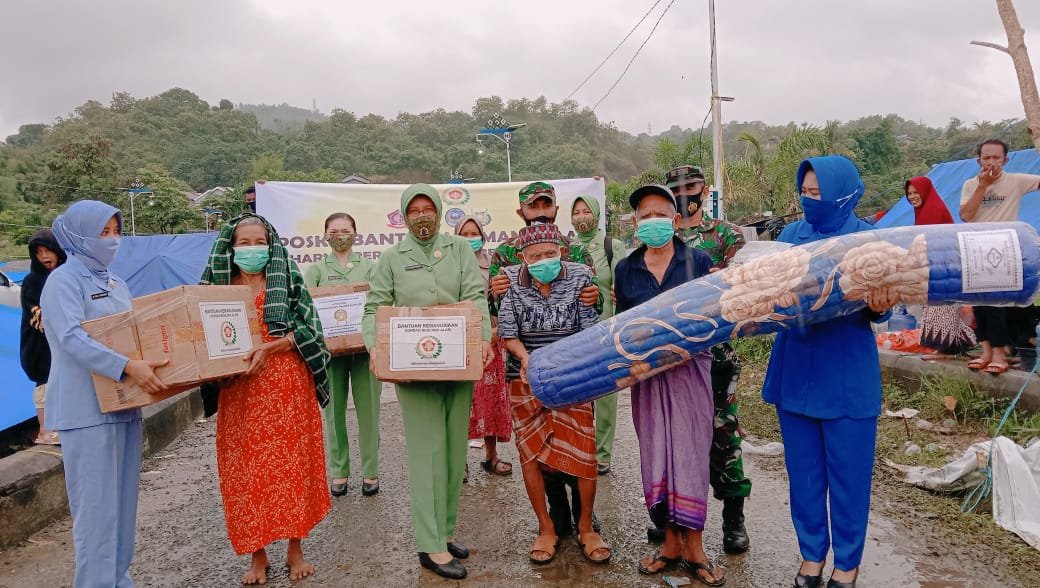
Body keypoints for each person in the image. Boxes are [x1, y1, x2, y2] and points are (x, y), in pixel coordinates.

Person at [765, 155, 893, 588]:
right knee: (804, 474)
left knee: (848, 476)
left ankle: (848, 562)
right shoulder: (790, 236)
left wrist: (880, 303)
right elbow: (769, 299)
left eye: (819, 192)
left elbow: (880, 312)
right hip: (796, 367)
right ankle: (811, 555)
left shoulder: (870, 238)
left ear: (845, 192)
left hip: (847, 373)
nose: (810, 199)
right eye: (806, 191)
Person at [361, 184, 493, 581]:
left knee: (454, 451)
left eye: (427, 208)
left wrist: (483, 338)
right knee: (426, 454)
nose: (422, 215)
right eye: (414, 209)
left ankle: (446, 530)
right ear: (405, 215)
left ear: (438, 212)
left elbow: (476, 296)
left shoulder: (458, 251)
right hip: (412, 368)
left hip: (458, 364)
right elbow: (374, 307)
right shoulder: (390, 259)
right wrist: (375, 347)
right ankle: (429, 544)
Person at [40, 200, 169, 587]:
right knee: (95, 512)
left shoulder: (115, 281)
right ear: (79, 235)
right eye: (103, 233)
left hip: (123, 404)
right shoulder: (62, 281)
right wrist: (128, 366)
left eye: (116, 232)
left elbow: (133, 330)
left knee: (122, 506)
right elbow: (69, 337)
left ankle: (118, 579)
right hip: (86, 410)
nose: (112, 240)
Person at [200, 213, 332, 584]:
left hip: (286, 387)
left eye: (260, 242)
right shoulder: (216, 288)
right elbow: (197, 338)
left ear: (271, 246)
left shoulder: (288, 281)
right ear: (230, 248)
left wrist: (273, 347)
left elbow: (311, 331)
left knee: (290, 466)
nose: (252, 249)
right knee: (247, 472)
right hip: (240, 394)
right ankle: (257, 555)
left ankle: (295, 549)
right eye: (244, 243)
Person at [614, 184, 724, 586]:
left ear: (676, 221)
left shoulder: (698, 261)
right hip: (647, 376)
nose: (653, 221)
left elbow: (717, 317)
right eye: (646, 216)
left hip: (690, 372)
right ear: (635, 223)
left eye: (661, 214)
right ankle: (670, 545)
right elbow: (621, 326)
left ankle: (694, 545)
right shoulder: (626, 269)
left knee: (691, 452)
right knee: (656, 451)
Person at [487, 180, 602, 538]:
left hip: (571, 370)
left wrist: (595, 298)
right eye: (532, 205)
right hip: (524, 369)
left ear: (554, 207)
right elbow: (498, 314)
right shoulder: (504, 255)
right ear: (521, 211)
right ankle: (555, 519)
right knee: (541, 451)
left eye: (545, 204)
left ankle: (585, 519)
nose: (539, 210)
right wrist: (494, 294)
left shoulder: (576, 253)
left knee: (577, 444)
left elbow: (590, 307)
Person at [664, 164, 752, 554]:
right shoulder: (659, 236)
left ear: (703, 189)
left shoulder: (726, 235)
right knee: (676, 436)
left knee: (724, 433)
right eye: (677, 188)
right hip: (671, 354)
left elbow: (746, 286)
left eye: (691, 186)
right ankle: (672, 517)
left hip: (716, 352)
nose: (685, 193)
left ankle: (734, 519)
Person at [303, 212, 382, 497]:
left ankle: (371, 471)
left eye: (345, 230)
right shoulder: (316, 270)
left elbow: (379, 302)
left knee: (369, 412)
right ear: (325, 235)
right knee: (333, 413)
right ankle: (339, 471)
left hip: (365, 351)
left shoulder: (371, 267)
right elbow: (306, 306)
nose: (340, 235)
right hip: (329, 354)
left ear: (356, 232)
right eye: (333, 231)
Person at [959, 139, 1040, 374]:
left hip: (1004, 250)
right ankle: (986, 351)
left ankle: (999, 354)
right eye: (986, 158)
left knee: (997, 303)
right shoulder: (970, 184)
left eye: (996, 158)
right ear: (978, 161)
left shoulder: (1015, 181)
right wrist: (982, 186)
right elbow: (966, 215)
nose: (991, 162)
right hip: (976, 249)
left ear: (1005, 160)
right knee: (980, 304)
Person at [570, 195, 626, 476]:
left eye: (586, 211)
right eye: (576, 212)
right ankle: (580, 449)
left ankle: (602, 454)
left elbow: (621, 291)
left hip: (605, 333)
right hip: (575, 335)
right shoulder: (565, 248)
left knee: (604, 398)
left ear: (596, 214)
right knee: (578, 396)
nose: (581, 216)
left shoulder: (611, 246)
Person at [455, 215, 512, 476]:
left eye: (474, 233)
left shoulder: (494, 266)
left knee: (490, 400)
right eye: (463, 234)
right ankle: (460, 463)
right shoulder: (450, 266)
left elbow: (504, 303)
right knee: (462, 403)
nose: (469, 239)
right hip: (461, 342)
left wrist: (497, 330)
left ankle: (491, 457)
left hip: (492, 341)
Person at [905, 177, 976, 356]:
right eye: (909, 193)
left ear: (925, 191)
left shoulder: (932, 211)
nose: (912, 197)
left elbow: (931, 244)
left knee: (941, 308)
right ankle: (961, 345)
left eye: (916, 192)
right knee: (941, 308)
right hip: (940, 267)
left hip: (945, 268)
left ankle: (944, 350)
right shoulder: (922, 211)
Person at [20, 228, 67, 446]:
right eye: (38, 252)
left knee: (62, 384)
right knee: (45, 384)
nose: (44, 256)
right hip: (39, 345)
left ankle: (61, 427)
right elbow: (36, 312)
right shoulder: (32, 281)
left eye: (47, 250)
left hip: (62, 342)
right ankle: (45, 431)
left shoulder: (66, 276)